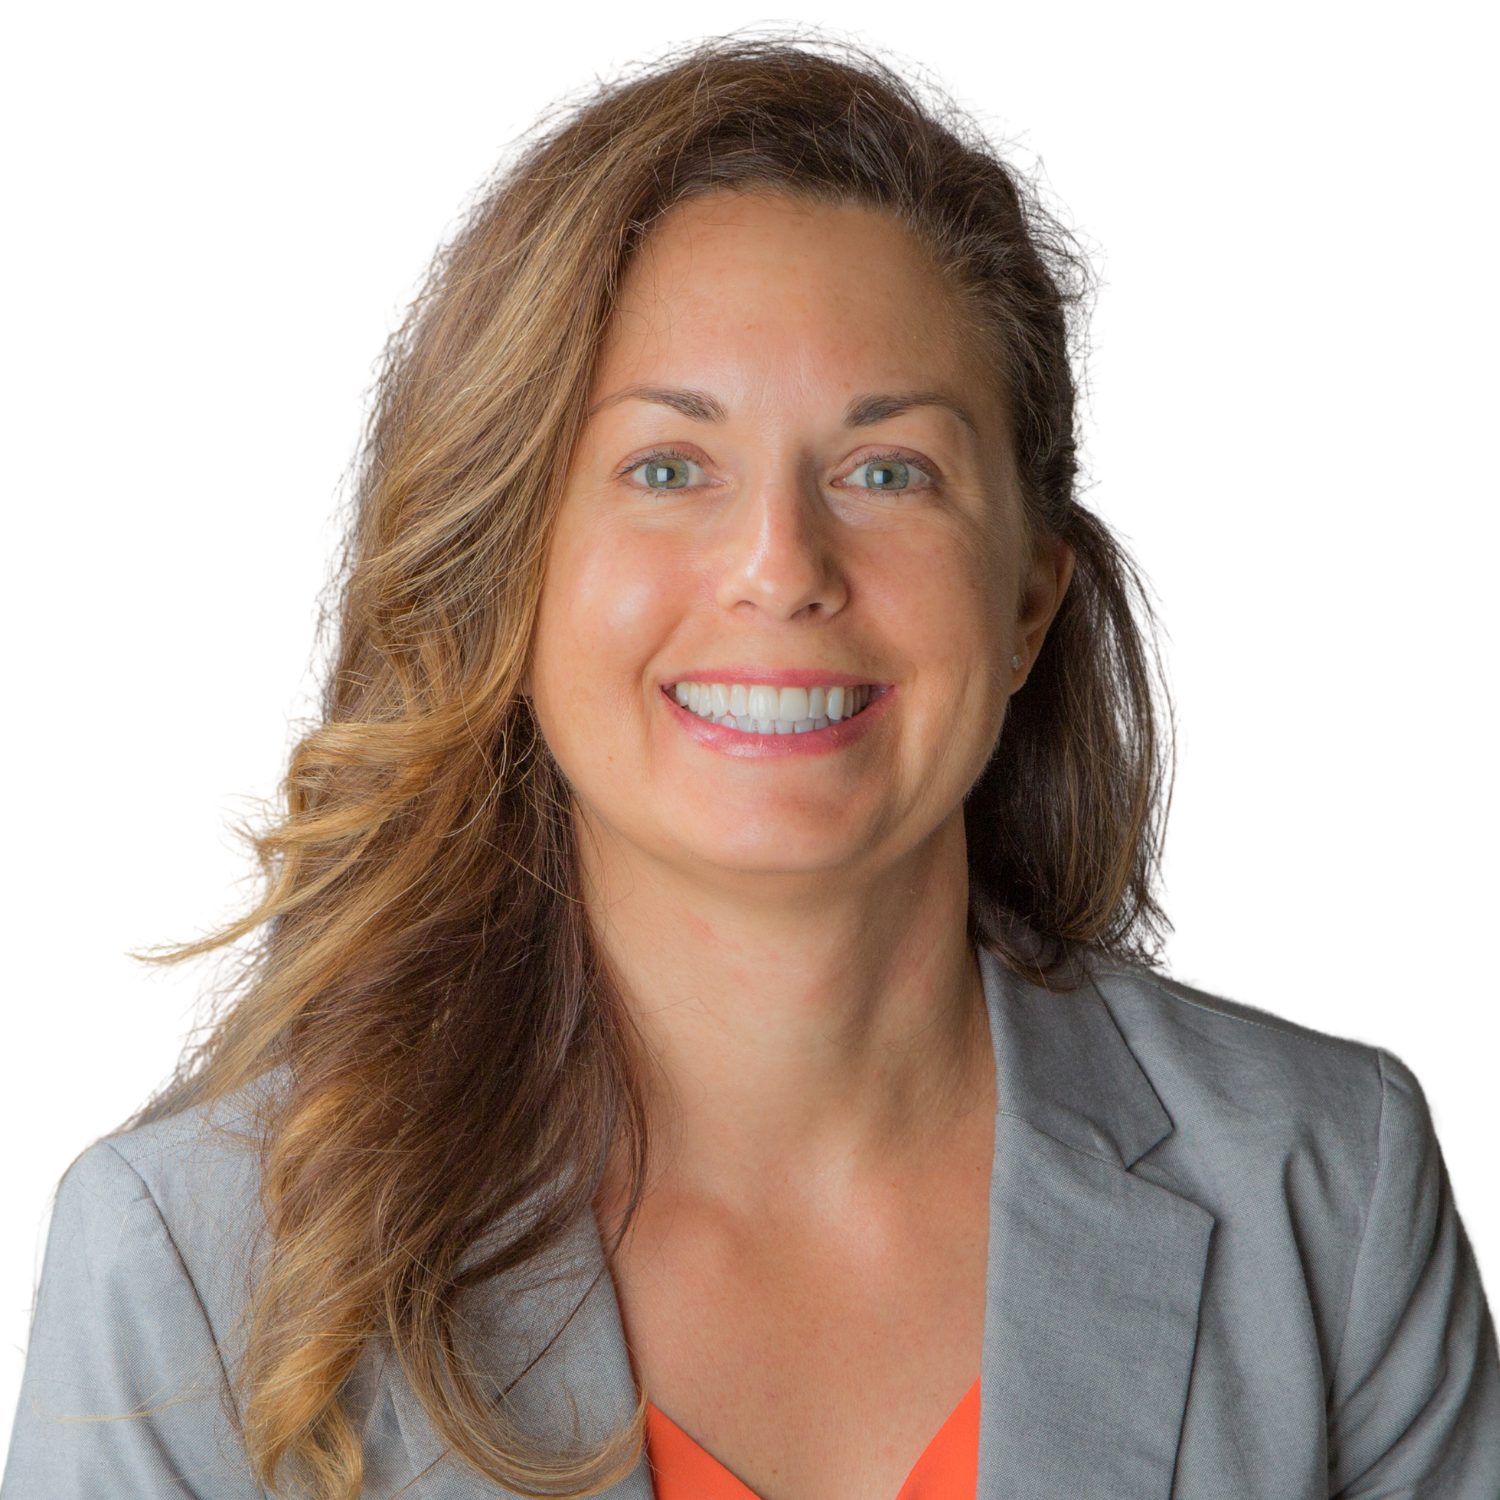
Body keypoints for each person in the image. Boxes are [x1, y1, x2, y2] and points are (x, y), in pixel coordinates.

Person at [4, 30, 1498, 1500]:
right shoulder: (192, 1265)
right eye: (667, 467)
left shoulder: (1324, 1187)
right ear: (505, 571)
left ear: (1030, 597)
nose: (783, 567)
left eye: (887, 470)